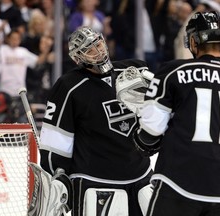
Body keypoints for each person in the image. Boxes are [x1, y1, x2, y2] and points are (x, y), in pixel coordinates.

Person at [132, 11, 220, 216]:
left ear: (193, 40)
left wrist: (141, 138)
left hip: (179, 183)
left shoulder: (174, 72)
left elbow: (151, 132)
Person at [39, 26, 153, 216]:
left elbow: (164, 111)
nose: (98, 50)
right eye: (90, 49)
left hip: (140, 176)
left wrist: (153, 99)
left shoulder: (133, 71)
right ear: (78, 59)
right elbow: (55, 141)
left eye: (98, 43)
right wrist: (58, 177)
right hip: (95, 181)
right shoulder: (69, 87)